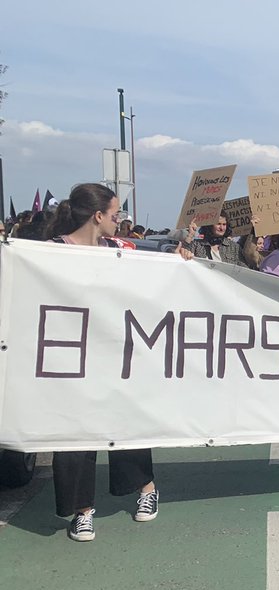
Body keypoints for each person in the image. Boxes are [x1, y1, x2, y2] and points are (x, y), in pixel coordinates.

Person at [46, 183, 195, 542]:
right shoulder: (48, 252)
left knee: (127, 420)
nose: (120, 221)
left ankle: (146, 488)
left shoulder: (121, 248)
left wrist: (177, 260)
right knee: (72, 433)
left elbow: (153, 270)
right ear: (98, 216)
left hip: (116, 355)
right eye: (116, 215)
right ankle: (82, 511)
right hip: (71, 358)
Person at [190, 215, 259, 267]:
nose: (222, 228)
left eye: (224, 224)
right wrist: (190, 235)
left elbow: (244, 269)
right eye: (218, 224)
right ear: (209, 226)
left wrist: (254, 229)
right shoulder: (197, 244)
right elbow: (183, 255)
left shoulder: (234, 247)